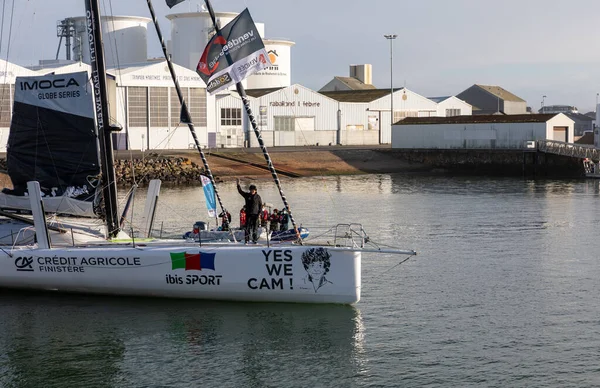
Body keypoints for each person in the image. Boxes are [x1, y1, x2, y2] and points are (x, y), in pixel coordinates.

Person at [237, 179, 263, 243]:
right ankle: (246, 240)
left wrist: (259, 213)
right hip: (248, 214)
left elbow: (260, 205)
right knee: (247, 228)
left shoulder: (258, 197)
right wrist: (238, 185)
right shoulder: (247, 195)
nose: (252, 191)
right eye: (251, 190)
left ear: (255, 190)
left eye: (253, 190)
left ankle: (254, 240)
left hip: (256, 215)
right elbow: (240, 191)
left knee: (255, 228)